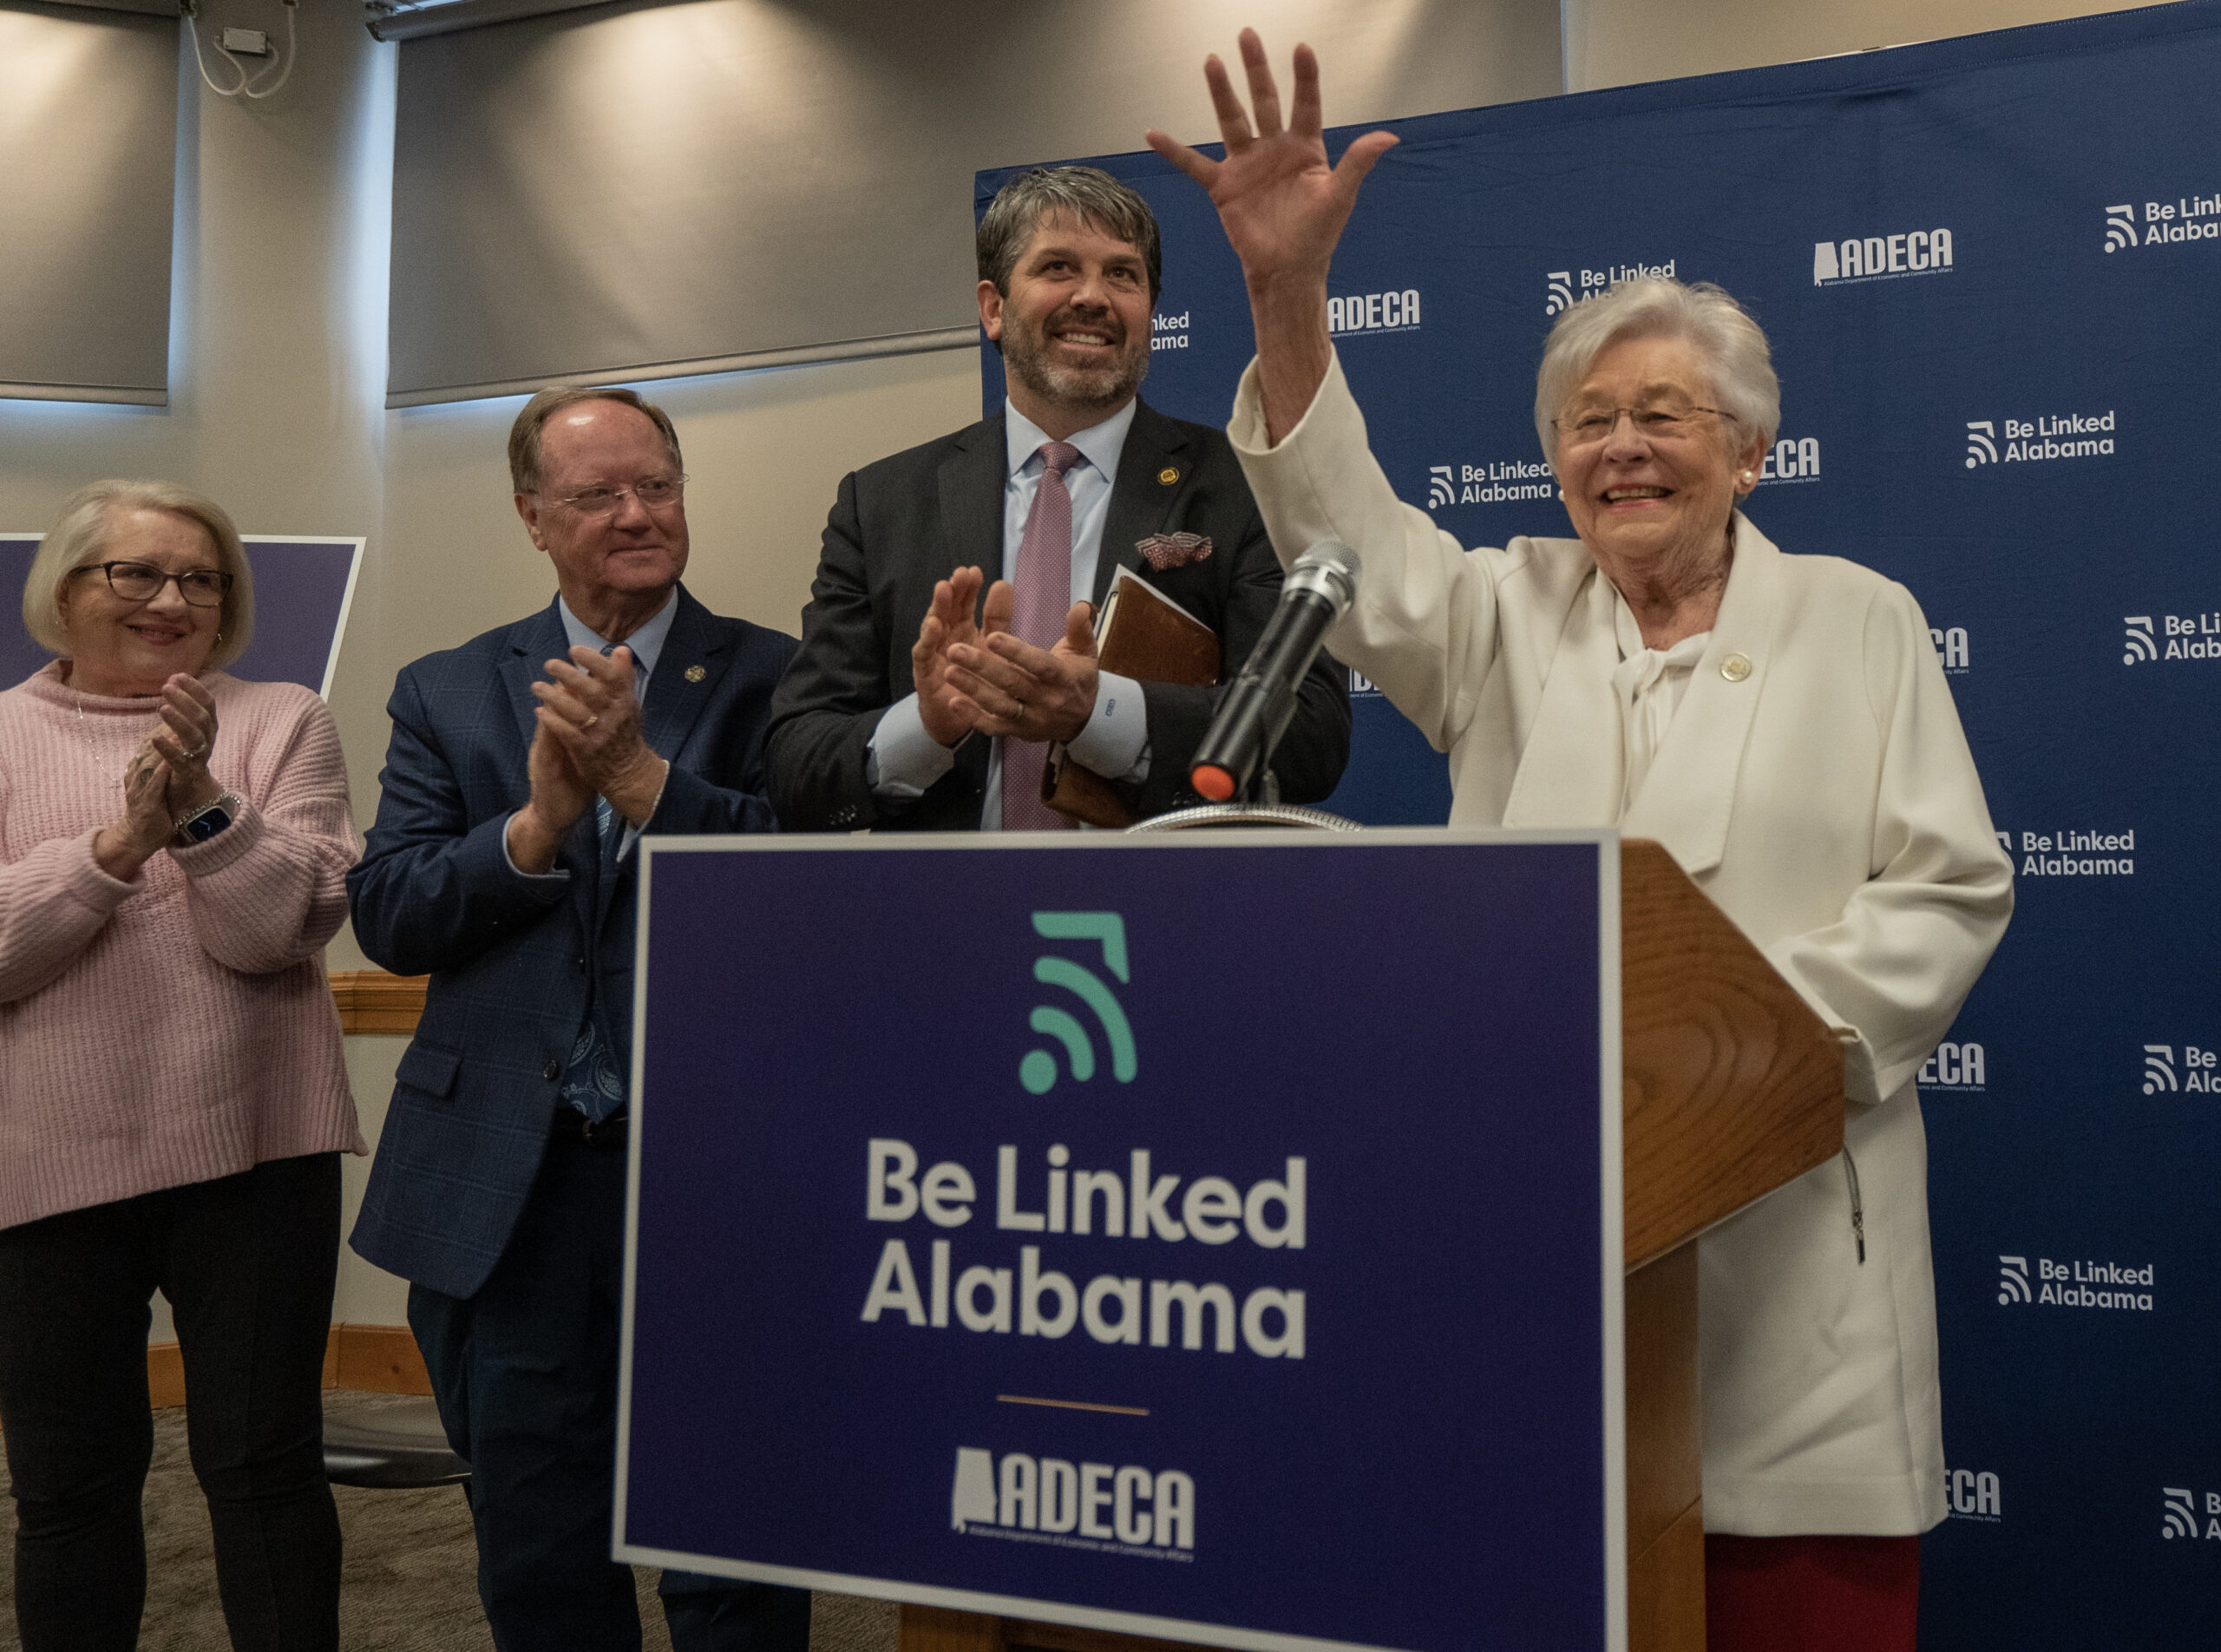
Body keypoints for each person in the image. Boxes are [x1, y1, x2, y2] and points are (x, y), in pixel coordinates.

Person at [1148, 34, 2013, 1652]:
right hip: (1538, 1241)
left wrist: (1733, 1056)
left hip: (1781, 1265)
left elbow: (1950, 886)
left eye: (1663, 413)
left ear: (1750, 448)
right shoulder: (1506, 610)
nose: (1617, 444)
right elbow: (1352, 552)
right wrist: (1286, 295)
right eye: (1586, 420)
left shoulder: (1857, 617)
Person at [345, 388, 807, 1652]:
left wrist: (647, 787)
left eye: (657, 485)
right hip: (513, 1181)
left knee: (732, 1536)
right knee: (538, 1540)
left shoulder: (783, 678)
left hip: (715, 1170)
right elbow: (389, 910)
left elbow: (815, 885)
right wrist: (537, 829)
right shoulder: (447, 690)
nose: (638, 514)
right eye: (598, 494)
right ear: (531, 516)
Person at [0, 480, 361, 1652]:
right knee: (70, 1487)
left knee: (262, 1470)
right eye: (137, 573)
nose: (172, 599)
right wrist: (116, 848)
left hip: (256, 1156)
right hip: (47, 1168)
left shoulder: (282, 721)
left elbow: (274, 932)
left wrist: (201, 802)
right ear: (65, 589)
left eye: (201, 579)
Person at [766, 164, 1348, 831]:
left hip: (1166, 911)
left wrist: (1099, 713)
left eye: (1124, 275)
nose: (1092, 297)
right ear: (993, 308)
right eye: (1058, 268)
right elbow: (795, 765)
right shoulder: (882, 504)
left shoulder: (1246, 486)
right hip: (943, 918)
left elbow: (1311, 733)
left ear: (1150, 312)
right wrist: (927, 725)